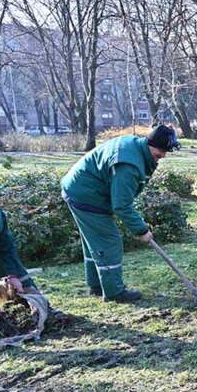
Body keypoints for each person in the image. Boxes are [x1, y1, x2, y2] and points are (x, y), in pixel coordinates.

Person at [60, 125, 179, 302]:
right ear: (150, 143)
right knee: (109, 241)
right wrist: (142, 231)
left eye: (166, 151)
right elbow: (122, 205)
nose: (163, 155)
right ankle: (114, 292)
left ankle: (96, 286)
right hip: (86, 194)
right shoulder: (128, 165)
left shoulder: (136, 147)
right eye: (161, 150)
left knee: (95, 241)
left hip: (81, 189)